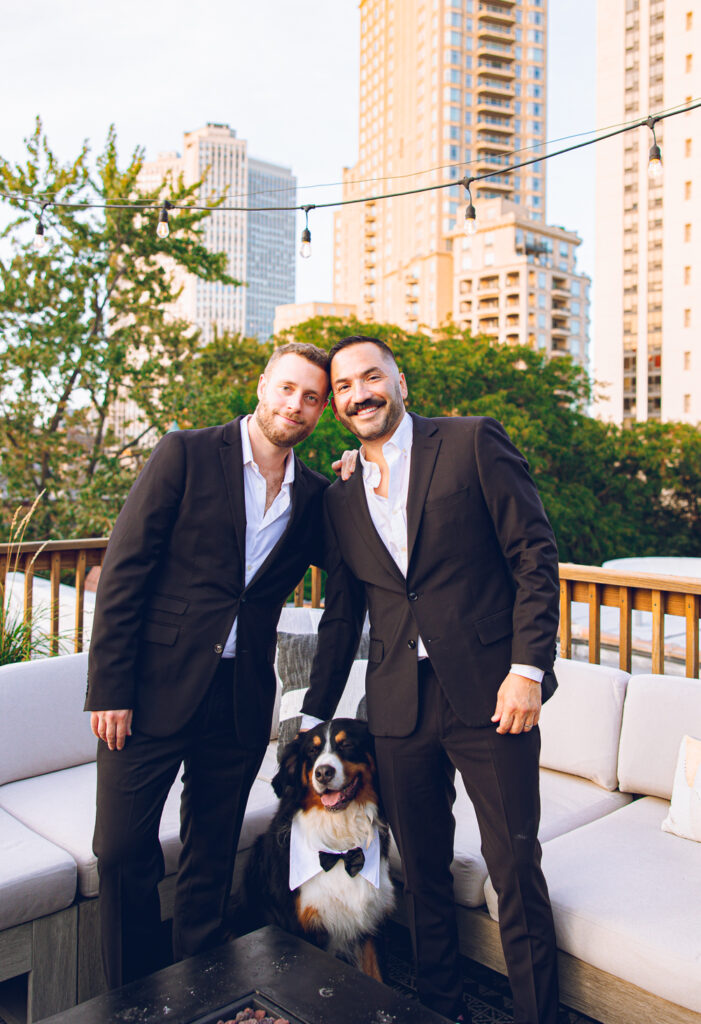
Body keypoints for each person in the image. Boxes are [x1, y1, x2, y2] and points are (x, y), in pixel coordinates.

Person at [301, 336, 561, 1024]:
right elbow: (342, 612)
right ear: (336, 406)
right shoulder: (338, 495)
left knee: (513, 868)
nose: (359, 393)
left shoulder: (472, 442)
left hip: (492, 695)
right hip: (395, 705)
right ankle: (441, 1009)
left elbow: (533, 554)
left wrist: (526, 669)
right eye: (344, 387)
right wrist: (312, 714)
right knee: (420, 873)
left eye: (370, 377)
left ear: (399, 382)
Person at [85, 342, 335, 989]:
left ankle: (194, 990)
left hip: (239, 696)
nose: (295, 405)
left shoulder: (314, 496)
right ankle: (134, 995)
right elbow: (123, 571)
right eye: (286, 389)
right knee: (119, 853)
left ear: (322, 410)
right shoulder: (186, 454)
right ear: (262, 385)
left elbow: (359, 562)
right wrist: (109, 687)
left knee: (210, 855)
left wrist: (368, 476)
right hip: (146, 690)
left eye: (310, 397)